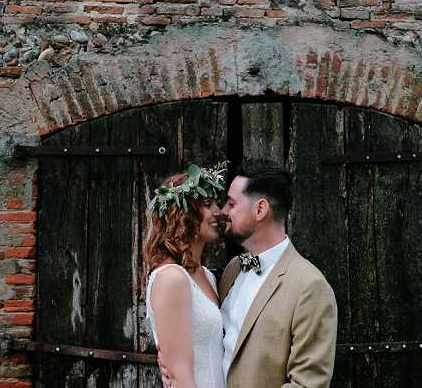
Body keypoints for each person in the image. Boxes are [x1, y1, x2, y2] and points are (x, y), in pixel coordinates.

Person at [160, 157, 338, 388]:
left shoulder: (310, 287)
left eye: (231, 204)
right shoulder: (234, 270)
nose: (223, 212)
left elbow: (306, 384)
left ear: (260, 209)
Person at [144, 163, 228, 388]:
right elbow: (181, 377)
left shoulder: (207, 276)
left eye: (216, 204)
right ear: (182, 213)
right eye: (207, 205)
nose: (218, 212)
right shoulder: (171, 278)